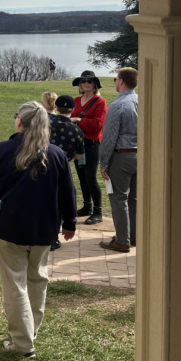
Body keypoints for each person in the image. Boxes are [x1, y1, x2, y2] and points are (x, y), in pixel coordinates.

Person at [0, 101, 77, 358]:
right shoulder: (56, 154)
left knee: (15, 285)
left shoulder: (0, 151)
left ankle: (23, 343)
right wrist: (70, 222)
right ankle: (29, 332)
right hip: (44, 229)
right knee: (37, 280)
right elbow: (68, 193)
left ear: (20, 121)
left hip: (10, 228)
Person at [99, 67, 139, 253]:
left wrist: (104, 163)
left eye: (116, 79)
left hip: (122, 155)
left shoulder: (118, 105)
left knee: (118, 198)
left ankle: (122, 240)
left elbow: (109, 138)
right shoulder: (141, 100)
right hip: (140, 155)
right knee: (134, 198)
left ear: (121, 81)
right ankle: (133, 235)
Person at [47, 95, 85, 250]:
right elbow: (78, 156)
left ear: (56, 107)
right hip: (62, 167)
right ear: (72, 109)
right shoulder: (76, 131)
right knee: (60, 201)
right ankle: (54, 236)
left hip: (43, 164)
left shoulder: (46, 124)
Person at [70, 70, 108, 225]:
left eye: (89, 81)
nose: (86, 84)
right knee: (81, 176)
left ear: (95, 85)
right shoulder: (76, 100)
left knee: (91, 177)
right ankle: (87, 206)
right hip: (78, 144)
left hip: (92, 144)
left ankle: (97, 211)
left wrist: (78, 120)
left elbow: (98, 124)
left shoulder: (100, 102)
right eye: (83, 81)